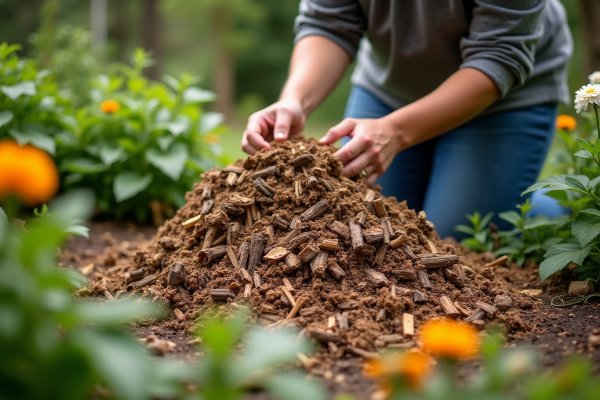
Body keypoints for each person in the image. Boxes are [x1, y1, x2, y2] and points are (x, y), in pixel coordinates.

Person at [241, 0, 573, 239]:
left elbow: (499, 54)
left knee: (452, 242)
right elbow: (328, 22)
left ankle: (566, 209)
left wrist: (397, 131)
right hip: (390, 87)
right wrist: (295, 99)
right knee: (361, 224)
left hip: (500, 95)